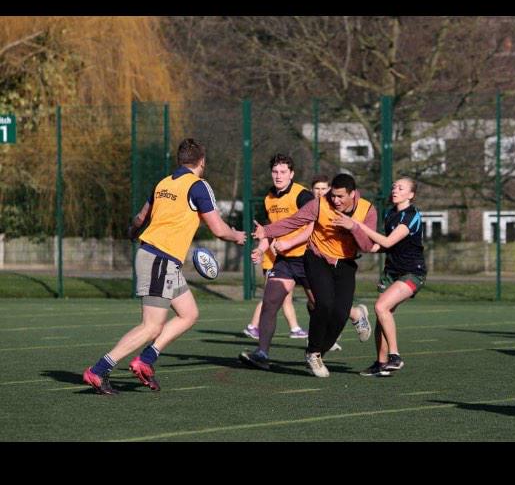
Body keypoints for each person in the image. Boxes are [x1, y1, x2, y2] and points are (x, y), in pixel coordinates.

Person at [82, 138, 246, 395]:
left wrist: (133, 231)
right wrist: (237, 236)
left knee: (188, 314)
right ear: (202, 162)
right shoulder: (199, 186)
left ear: (180, 160)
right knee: (151, 326)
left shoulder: (163, 183)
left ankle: (145, 360)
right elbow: (218, 228)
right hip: (160, 259)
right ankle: (99, 370)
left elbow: (141, 217)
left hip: (161, 259)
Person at [253, 173, 378, 378]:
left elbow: (367, 246)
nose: (335, 200)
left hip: (345, 263)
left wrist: (353, 227)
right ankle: (313, 352)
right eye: (333, 195)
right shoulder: (319, 204)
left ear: (352, 194)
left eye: (340, 196)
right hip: (318, 258)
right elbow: (293, 221)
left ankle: (319, 351)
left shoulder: (367, 210)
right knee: (324, 304)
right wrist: (267, 231)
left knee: (340, 314)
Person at [332, 176, 426, 377]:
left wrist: (357, 225)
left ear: (411, 195)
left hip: (412, 273)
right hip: (392, 272)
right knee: (382, 316)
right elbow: (385, 246)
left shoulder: (412, 215)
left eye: (401, 188)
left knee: (381, 307)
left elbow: (389, 241)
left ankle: (395, 356)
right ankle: (381, 363)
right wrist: (364, 247)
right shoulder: (391, 213)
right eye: (394, 187)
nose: (395, 190)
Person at [239, 154, 315, 371]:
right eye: (275, 171)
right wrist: (260, 249)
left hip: (308, 258)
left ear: (292, 174)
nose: (278, 176)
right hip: (284, 261)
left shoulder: (303, 196)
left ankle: (351, 317)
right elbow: (269, 232)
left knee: (320, 306)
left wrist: (289, 242)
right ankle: (262, 353)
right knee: (270, 302)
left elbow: (313, 228)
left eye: (283, 172)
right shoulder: (269, 198)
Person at [310, 174, 371, 348]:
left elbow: (366, 245)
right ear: (311, 190)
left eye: (324, 189)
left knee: (322, 301)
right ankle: (322, 340)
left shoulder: (358, 208)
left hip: (324, 258)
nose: (321, 192)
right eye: (317, 189)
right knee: (317, 301)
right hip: (305, 255)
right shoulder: (311, 205)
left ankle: (324, 341)